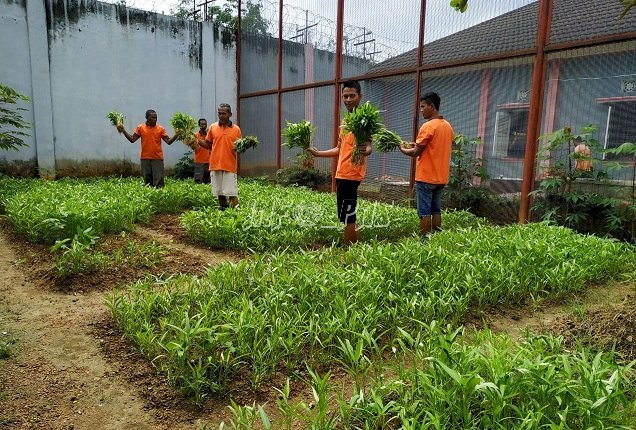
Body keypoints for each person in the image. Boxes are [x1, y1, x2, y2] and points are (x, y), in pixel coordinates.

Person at [308, 80, 373, 246]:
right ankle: (352, 244)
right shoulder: (345, 122)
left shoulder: (364, 121)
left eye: (352, 96)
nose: (348, 99)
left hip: (352, 174)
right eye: (345, 96)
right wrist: (318, 153)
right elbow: (339, 148)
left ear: (360, 97)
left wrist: (365, 151)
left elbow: (368, 146)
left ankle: (349, 248)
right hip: (342, 172)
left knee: (349, 213)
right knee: (345, 214)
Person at [399, 92, 454, 235]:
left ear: (432, 106)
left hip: (425, 178)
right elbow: (433, 146)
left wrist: (402, 149)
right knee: (436, 209)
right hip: (441, 177)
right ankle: (436, 238)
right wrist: (415, 145)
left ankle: (424, 241)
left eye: (423, 106)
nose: (421, 110)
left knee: (424, 212)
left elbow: (416, 152)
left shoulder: (427, 126)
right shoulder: (447, 126)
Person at [117, 109, 178, 188]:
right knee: (147, 180)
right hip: (145, 158)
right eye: (153, 117)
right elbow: (132, 139)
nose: (155, 119)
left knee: (158, 181)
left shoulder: (160, 128)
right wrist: (123, 130)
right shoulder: (140, 127)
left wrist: (177, 134)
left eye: (156, 117)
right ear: (147, 118)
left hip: (157, 158)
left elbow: (168, 141)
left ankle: (159, 197)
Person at [199, 103, 242, 210]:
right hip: (215, 164)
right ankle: (223, 210)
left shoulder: (236, 129)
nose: (221, 116)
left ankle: (236, 212)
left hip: (229, 165)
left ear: (230, 114)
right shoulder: (213, 127)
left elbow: (239, 147)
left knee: (231, 192)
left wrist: (245, 145)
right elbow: (208, 145)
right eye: (219, 113)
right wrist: (197, 141)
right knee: (219, 192)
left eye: (224, 113)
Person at [193, 118, 211, 183]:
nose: (204, 125)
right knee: (198, 180)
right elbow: (193, 148)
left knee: (208, 180)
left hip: (208, 161)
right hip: (198, 160)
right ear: (199, 125)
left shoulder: (209, 135)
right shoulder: (195, 135)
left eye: (205, 124)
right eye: (202, 124)